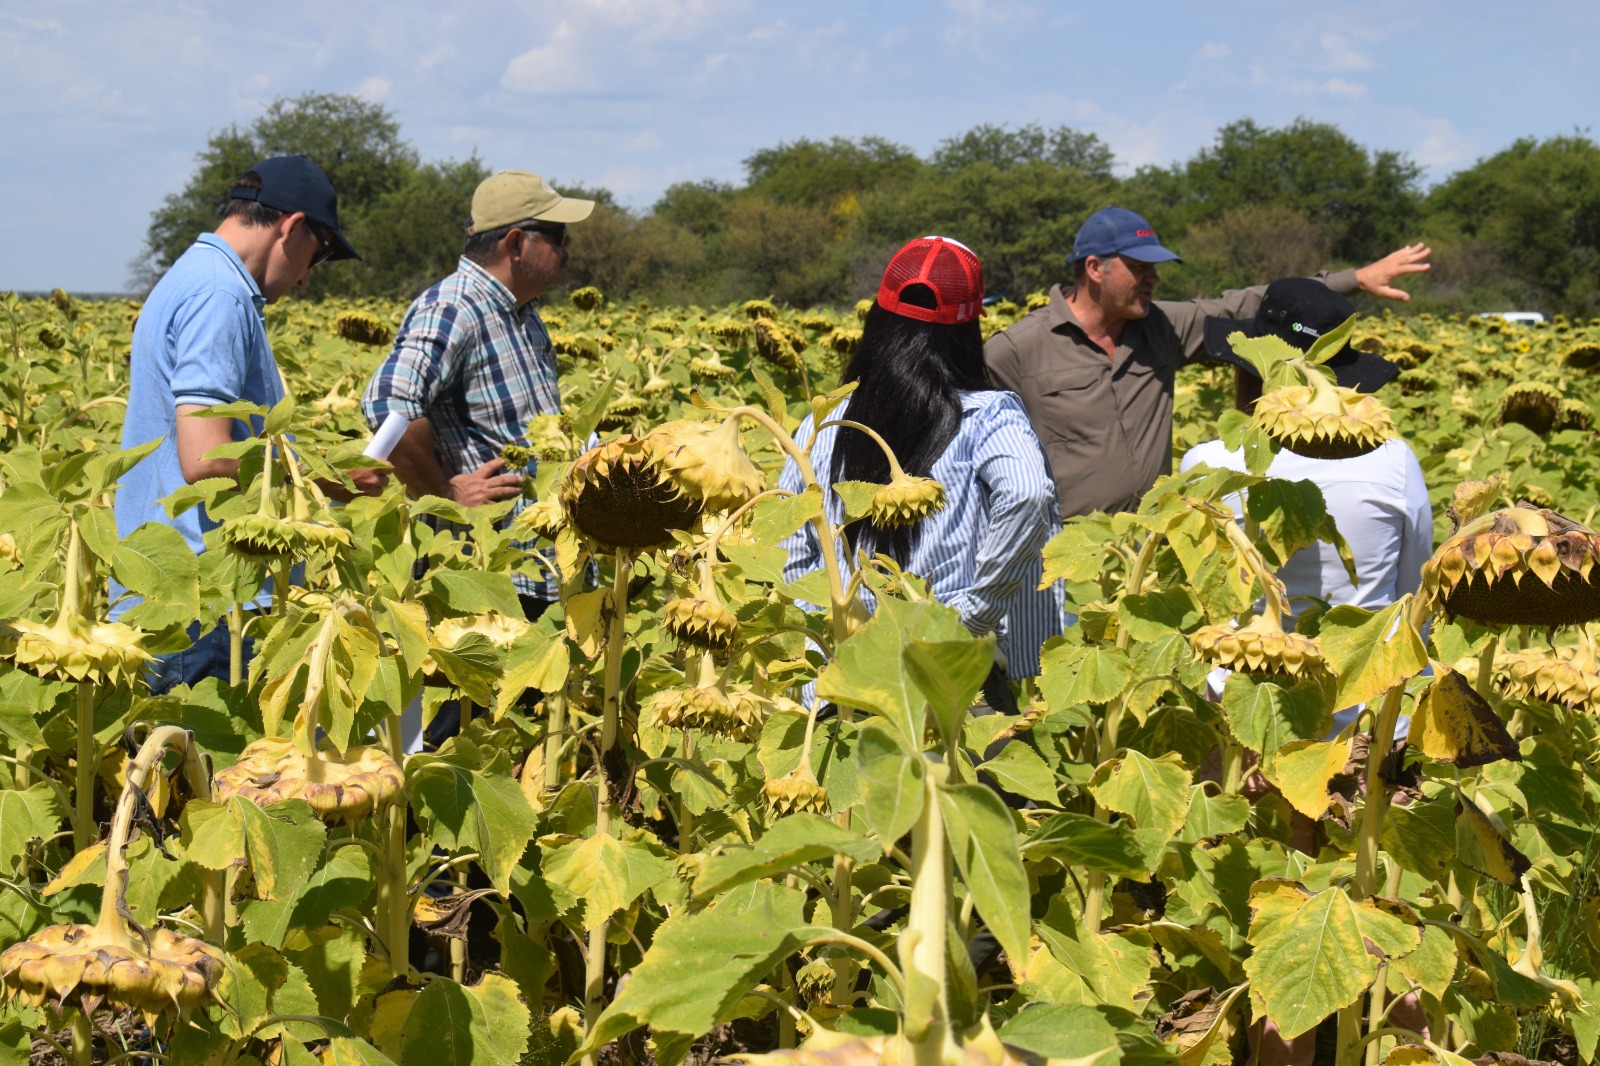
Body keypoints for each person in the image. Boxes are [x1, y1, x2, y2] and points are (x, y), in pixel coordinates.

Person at [114, 155, 379, 694]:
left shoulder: (192, 274)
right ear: (293, 226)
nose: (306, 277)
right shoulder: (220, 294)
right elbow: (207, 459)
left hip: (168, 586)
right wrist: (326, 479)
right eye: (318, 254)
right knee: (214, 772)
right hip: (206, 600)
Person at [984, 205, 1433, 519]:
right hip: (1068, 561)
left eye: (1154, 268)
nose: (1153, 278)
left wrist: (1354, 279)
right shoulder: (1018, 348)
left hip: (1151, 548)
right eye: (1139, 267)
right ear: (1095, 268)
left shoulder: (1161, 326)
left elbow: (1248, 305)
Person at [779, 236, 1062, 704]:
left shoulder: (823, 424)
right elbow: (1029, 493)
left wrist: (818, 674)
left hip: (844, 688)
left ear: (877, 320)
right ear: (970, 332)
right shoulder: (988, 415)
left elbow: (789, 556)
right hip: (951, 679)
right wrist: (972, 617)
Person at [361, 169, 594, 622]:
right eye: (558, 236)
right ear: (515, 244)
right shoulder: (455, 307)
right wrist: (445, 491)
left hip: (535, 568)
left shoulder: (520, 313)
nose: (568, 249)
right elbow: (390, 406)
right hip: (485, 576)